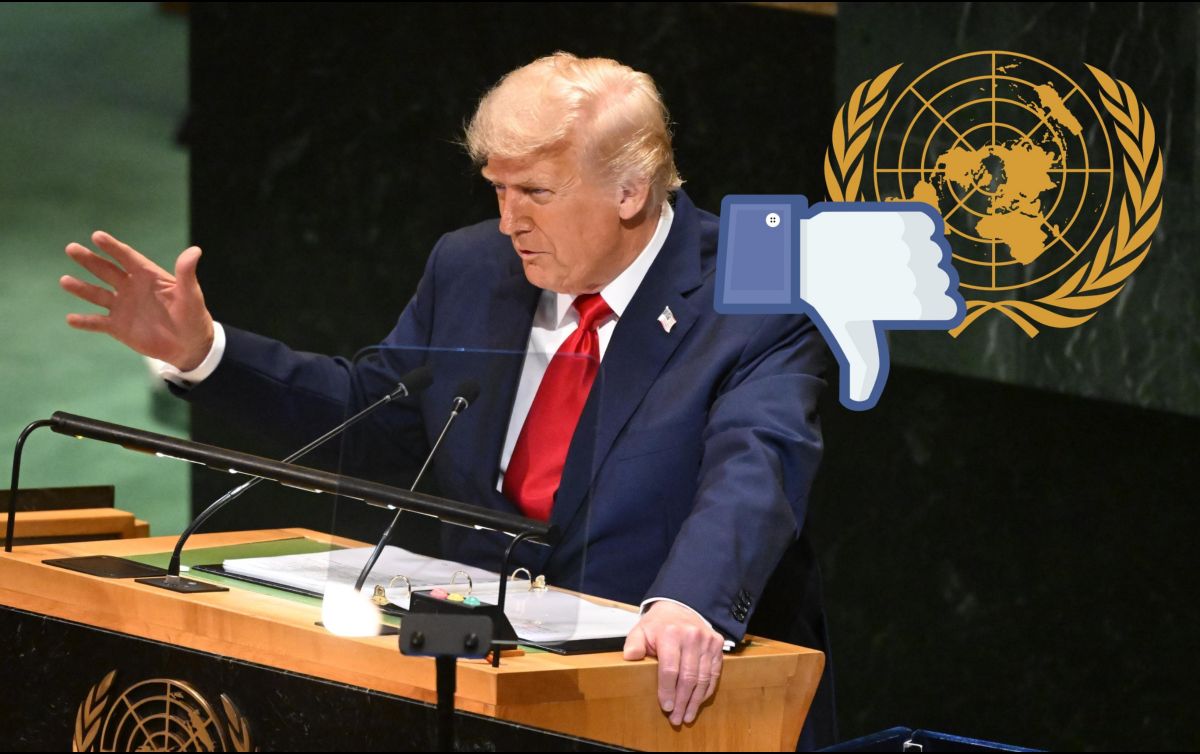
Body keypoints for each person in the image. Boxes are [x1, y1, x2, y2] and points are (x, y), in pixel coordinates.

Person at [60, 52, 835, 748]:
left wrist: (686, 604)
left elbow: (754, 470)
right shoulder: (472, 267)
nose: (508, 223)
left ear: (631, 190)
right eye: (497, 189)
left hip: (659, 702)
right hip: (475, 695)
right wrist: (204, 352)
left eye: (534, 192)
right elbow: (374, 417)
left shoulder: (751, 297)